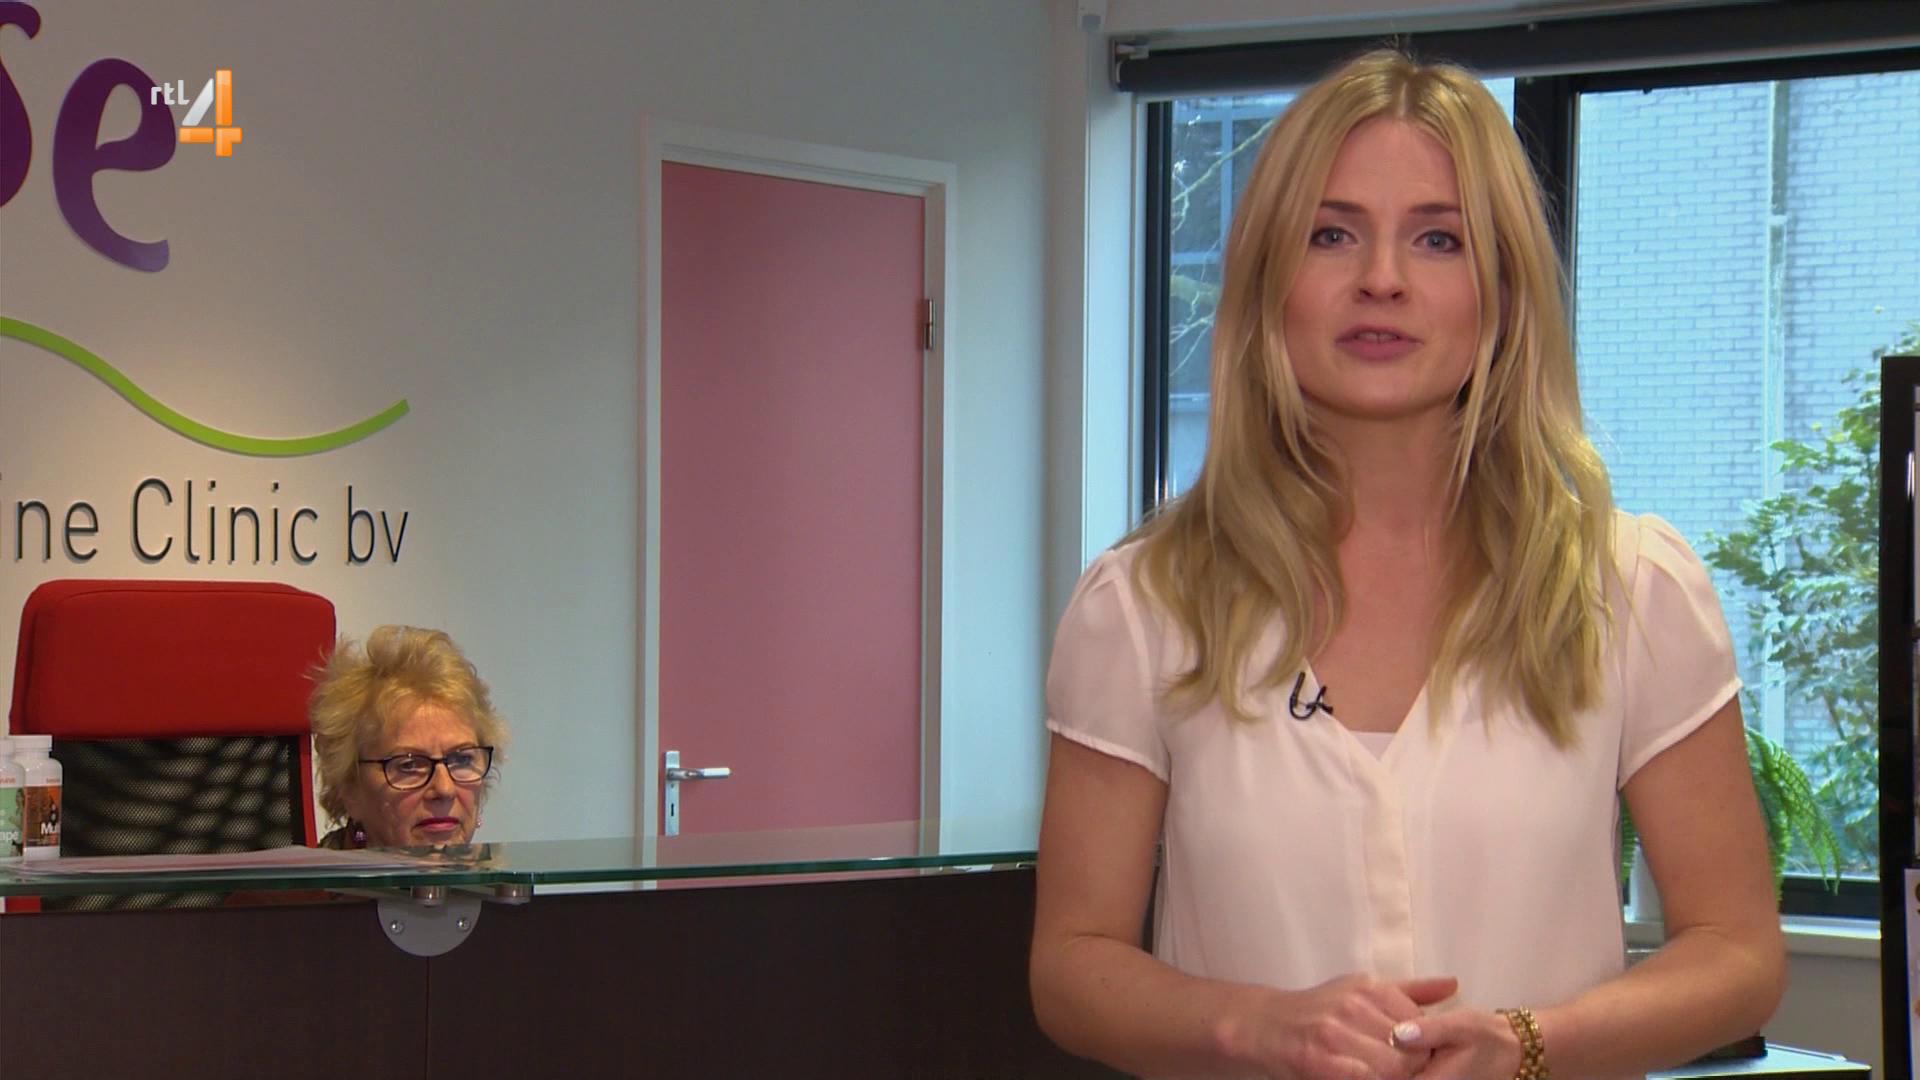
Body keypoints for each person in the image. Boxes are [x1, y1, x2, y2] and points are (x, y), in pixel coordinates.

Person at [1030, 49, 1785, 1080]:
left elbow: (1738, 955)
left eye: (1438, 239)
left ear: (1503, 291)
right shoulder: (1144, 604)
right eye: (1331, 234)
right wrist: (1255, 1026)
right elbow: (1073, 965)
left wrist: (1528, 1045)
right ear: (1269, 282)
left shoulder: (1633, 589)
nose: (1381, 279)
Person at [309, 626, 508, 849]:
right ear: (350, 789)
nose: (445, 789)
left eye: (462, 760)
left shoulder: (504, 871)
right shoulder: (313, 874)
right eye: (409, 765)